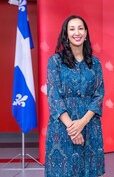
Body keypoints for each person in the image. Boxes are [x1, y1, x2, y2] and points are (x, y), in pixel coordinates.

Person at [45, 15, 105, 177]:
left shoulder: (96, 63)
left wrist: (83, 123)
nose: (76, 32)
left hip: (90, 126)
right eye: (72, 29)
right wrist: (73, 129)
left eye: (80, 28)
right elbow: (54, 96)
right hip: (63, 127)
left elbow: (99, 95)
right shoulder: (55, 61)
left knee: (91, 172)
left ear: (86, 34)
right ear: (66, 34)